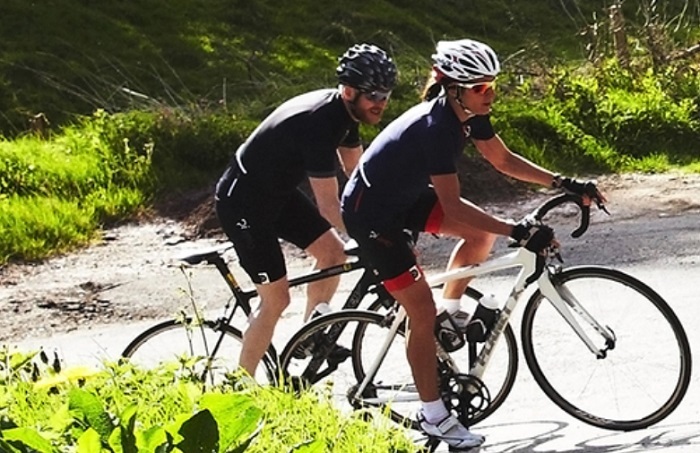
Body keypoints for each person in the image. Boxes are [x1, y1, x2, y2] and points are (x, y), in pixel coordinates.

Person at [340, 38, 604, 449]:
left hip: (403, 197)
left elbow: (502, 159)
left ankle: (450, 312)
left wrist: (564, 182)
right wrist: (516, 231)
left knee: (479, 236)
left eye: (491, 85)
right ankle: (433, 415)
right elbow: (453, 206)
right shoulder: (437, 128)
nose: (490, 94)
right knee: (420, 312)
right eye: (480, 87)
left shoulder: (468, 112)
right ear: (454, 89)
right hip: (371, 215)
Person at [215, 43, 398, 378]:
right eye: (374, 96)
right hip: (243, 203)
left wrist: (394, 213)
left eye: (386, 95)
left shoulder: (347, 113)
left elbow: (359, 174)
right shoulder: (319, 123)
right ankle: (240, 387)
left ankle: (308, 337)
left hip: (276, 194)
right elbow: (329, 207)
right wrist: (374, 237)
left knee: (333, 254)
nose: (381, 103)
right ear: (349, 91)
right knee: (276, 300)